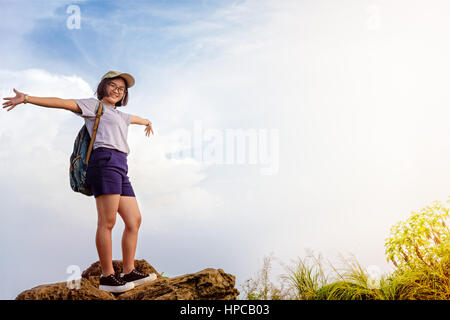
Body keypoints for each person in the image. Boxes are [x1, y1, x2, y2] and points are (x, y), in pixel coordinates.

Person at [2, 70, 157, 293]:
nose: (117, 91)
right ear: (104, 86)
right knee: (108, 221)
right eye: (113, 85)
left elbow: (137, 119)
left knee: (134, 220)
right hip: (104, 161)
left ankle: (129, 270)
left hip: (121, 165)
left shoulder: (121, 115)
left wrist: (147, 122)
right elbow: (62, 103)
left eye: (121, 89)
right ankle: (107, 277)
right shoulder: (93, 107)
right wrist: (27, 98)